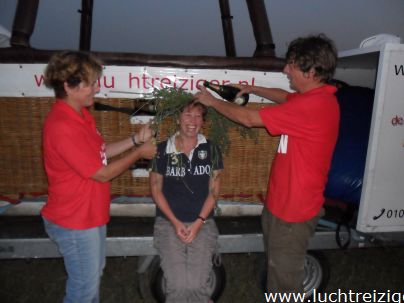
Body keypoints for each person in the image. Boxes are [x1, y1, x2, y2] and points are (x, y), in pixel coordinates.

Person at [194, 34, 340, 298]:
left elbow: (249, 119)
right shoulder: (313, 98)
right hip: (282, 205)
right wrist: (254, 89)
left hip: (293, 214)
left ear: (311, 71)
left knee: (285, 281)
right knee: (276, 269)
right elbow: (286, 97)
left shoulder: (314, 106)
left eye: (291, 65)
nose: (285, 70)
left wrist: (213, 102)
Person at [41, 50, 156, 303]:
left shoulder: (81, 116)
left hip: (88, 216)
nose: (97, 88)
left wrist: (135, 139)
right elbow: (101, 173)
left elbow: (99, 154)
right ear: (68, 86)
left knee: (90, 282)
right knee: (83, 290)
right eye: (91, 83)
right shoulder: (63, 126)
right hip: (75, 221)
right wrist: (139, 153)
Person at [150, 100, 223, 303]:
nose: (193, 121)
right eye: (188, 115)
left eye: (198, 116)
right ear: (177, 119)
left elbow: (214, 191)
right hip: (168, 223)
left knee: (198, 285)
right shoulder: (162, 149)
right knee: (178, 286)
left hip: (203, 223)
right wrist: (175, 222)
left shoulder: (212, 149)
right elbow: (156, 189)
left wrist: (198, 222)